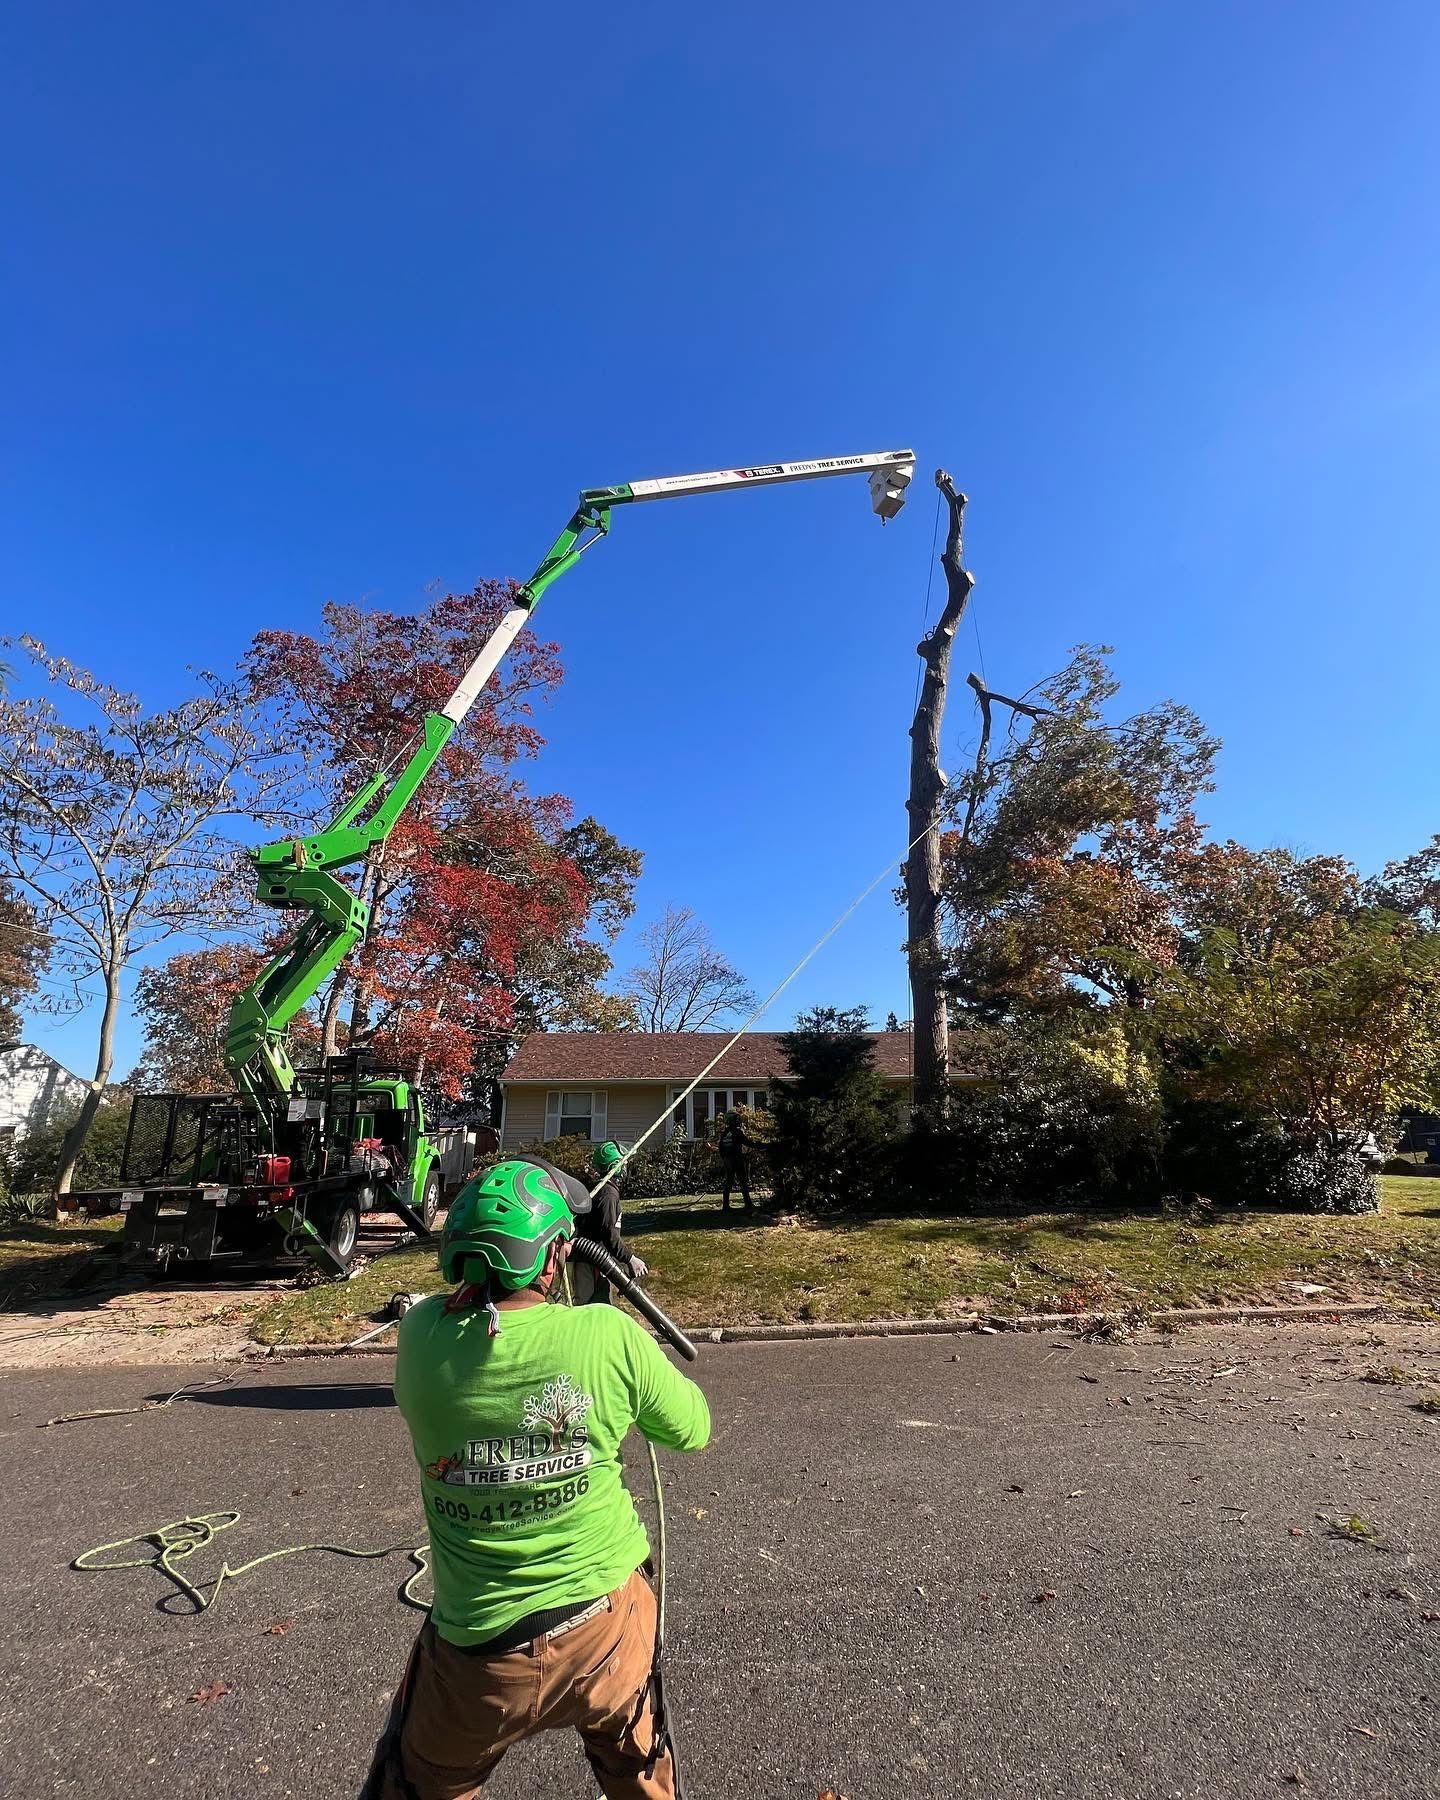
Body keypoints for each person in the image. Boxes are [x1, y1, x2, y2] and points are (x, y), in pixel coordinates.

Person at [364, 1157, 710, 1800]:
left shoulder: (419, 1335)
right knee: (635, 1761)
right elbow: (691, 1429)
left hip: (478, 1658)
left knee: (419, 1783)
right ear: (551, 1259)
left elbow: (453, 1309)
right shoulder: (607, 1334)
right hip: (605, 1624)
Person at [571, 1138, 649, 1305]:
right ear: (615, 1166)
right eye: (623, 1163)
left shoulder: (602, 1189)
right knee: (589, 1310)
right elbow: (608, 1234)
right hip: (590, 1262)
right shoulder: (608, 1194)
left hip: (597, 1260)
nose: (626, 1167)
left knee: (599, 1307)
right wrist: (630, 1259)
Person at [715, 1110, 752, 1214]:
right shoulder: (737, 1132)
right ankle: (748, 1203)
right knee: (743, 1181)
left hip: (727, 1160)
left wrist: (725, 1159)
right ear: (733, 1121)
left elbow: (721, 1148)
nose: (738, 1121)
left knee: (729, 1182)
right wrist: (760, 1145)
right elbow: (747, 1142)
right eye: (736, 1119)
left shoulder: (724, 1133)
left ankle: (725, 1205)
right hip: (737, 1160)